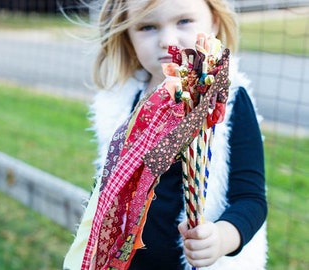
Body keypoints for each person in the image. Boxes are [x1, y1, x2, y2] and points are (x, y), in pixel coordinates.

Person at [63, 0, 268, 269]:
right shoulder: (122, 102)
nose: (167, 40)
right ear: (127, 34)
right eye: (147, 26)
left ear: (214, 21)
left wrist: (221, 238)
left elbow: (251, 199)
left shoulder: (228, 100)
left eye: (184, 21)